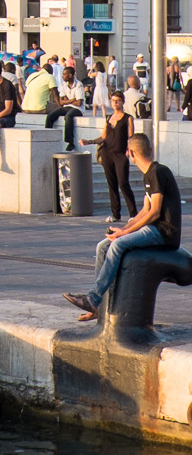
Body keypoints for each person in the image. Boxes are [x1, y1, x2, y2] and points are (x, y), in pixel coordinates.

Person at [64, 132, 182, 318]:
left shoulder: (158, 173)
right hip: (153, 229)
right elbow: (145, 210)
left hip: (164, 232)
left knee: (118, 244)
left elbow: (155, 212)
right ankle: (97, 306)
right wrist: (124, 229)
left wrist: (124, 234)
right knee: (103, 246)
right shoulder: (149, 174)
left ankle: (93, 298)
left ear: (130, 153)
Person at [92, 92, 138, 221]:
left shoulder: (128, 118)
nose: (115, 103)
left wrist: (130, 151)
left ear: (123, 102)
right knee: (111, 184)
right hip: (107, 153)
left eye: (117, 101)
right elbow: (103, 137)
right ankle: (115, 214)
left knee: (123, 183)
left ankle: (133, 214)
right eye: (113, 101)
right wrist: (89, 141)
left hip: (120, 154)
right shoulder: (108, 117)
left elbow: (131, 137)